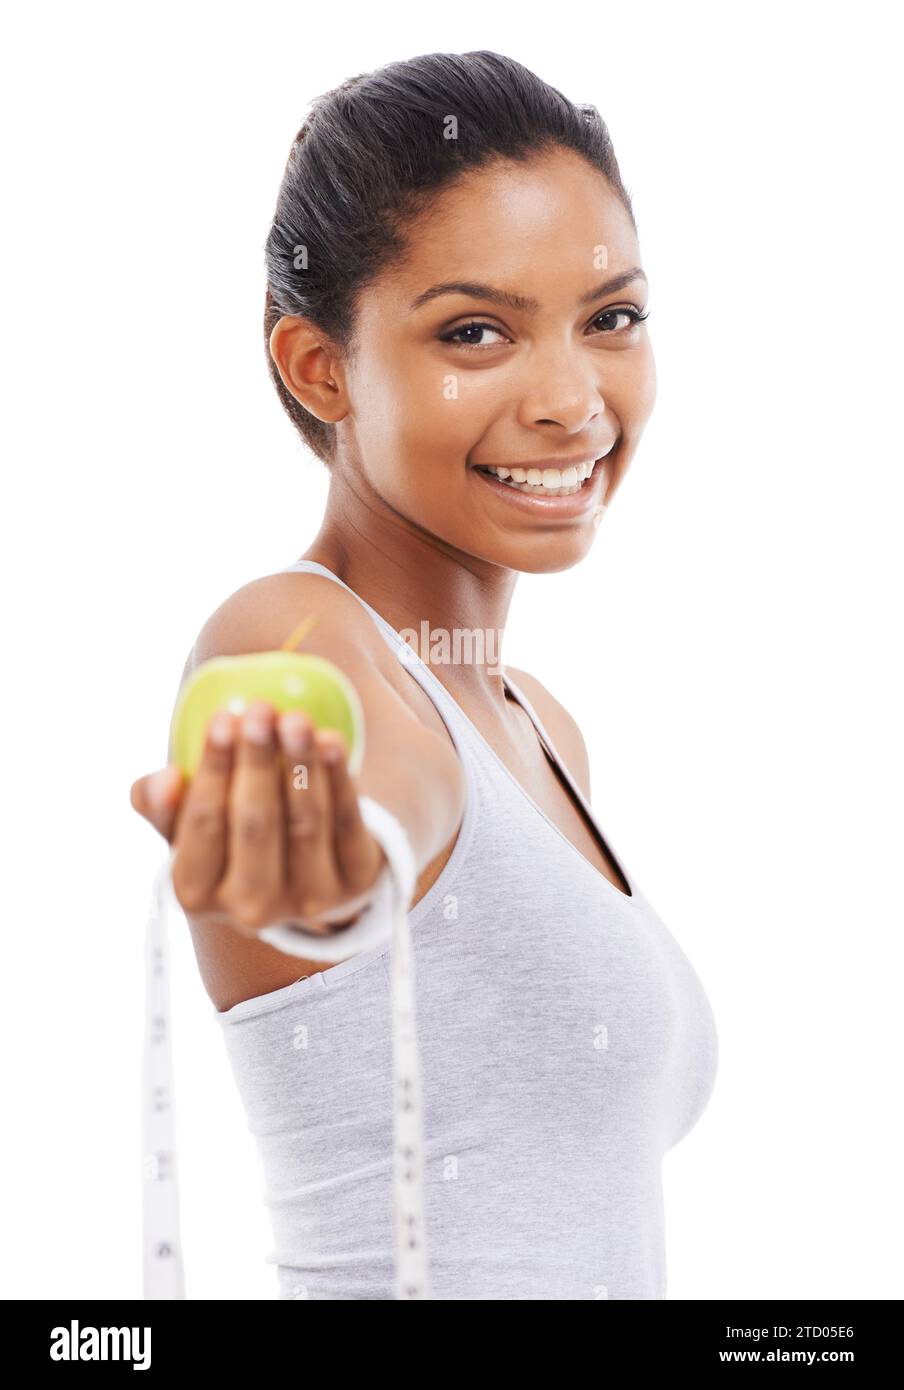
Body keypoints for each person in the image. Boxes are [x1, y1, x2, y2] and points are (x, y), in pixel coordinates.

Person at [130, 49, 719, 1300]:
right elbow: (354, 793)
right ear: (319, 367)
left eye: (609, 317)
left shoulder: (541, 729)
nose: (571, 401)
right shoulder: (293, 635)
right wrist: (329, 872)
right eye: (475, 331)